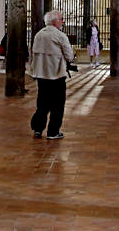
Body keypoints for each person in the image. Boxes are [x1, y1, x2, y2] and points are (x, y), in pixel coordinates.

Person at [29, 9, 74, 140]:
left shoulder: (39, 35)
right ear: (55, 22)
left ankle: (37, 129)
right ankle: (53, 132)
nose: (63, 21)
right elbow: (70, 56)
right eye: (61, 19)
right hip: (56, 75)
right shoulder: (60, 36)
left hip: (41, 75)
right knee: (57, 105)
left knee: (42, 102)